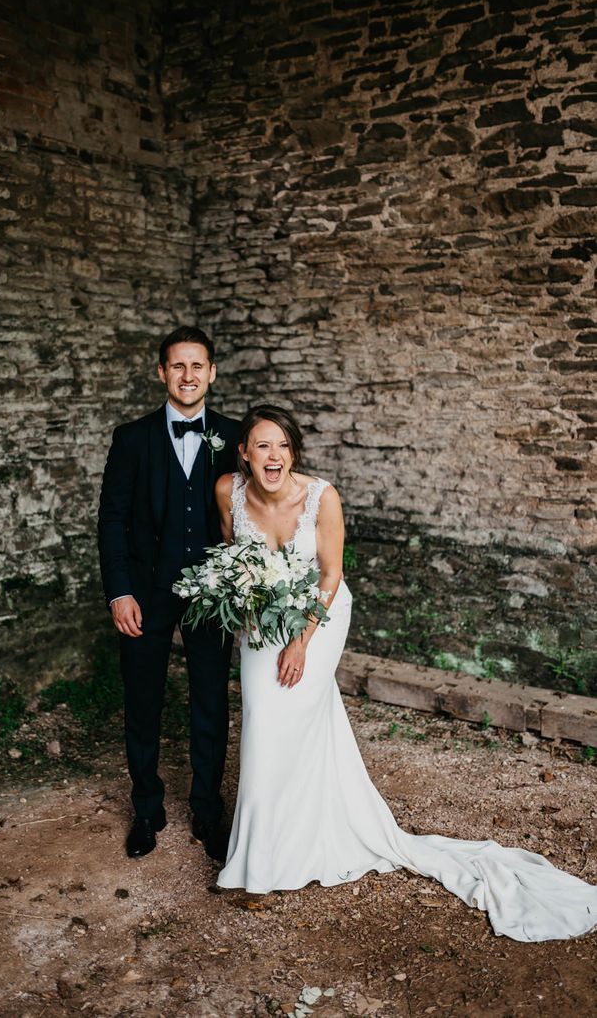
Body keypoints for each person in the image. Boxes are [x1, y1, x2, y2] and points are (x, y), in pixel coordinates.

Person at [213, 404, 597, 943]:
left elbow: (331, 574)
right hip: (261, 620)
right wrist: (249, 606)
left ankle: (272, 859)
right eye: (262, 446)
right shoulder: (227, 491)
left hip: (318, 616)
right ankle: (262, 851)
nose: (272, 456)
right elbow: (235, 558)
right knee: (261, 720)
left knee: (292, 713)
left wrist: (300, 641)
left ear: (293, 452)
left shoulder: (321, 498)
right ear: (245, 453)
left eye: (282, 446)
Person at [98, 327, 240, 862]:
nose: (187, 376)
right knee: (142, 700)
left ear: (212, 372)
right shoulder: (131, 438)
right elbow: (111, 518)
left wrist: (247, 585)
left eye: (197, 366)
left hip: (212, 592)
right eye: (177, 367)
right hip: (145, 591)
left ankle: (207, 810)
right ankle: (146, 808)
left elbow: (250, 513)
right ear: (162, 373)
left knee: (209, 699)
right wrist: (119, 592)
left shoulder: (233, 436)